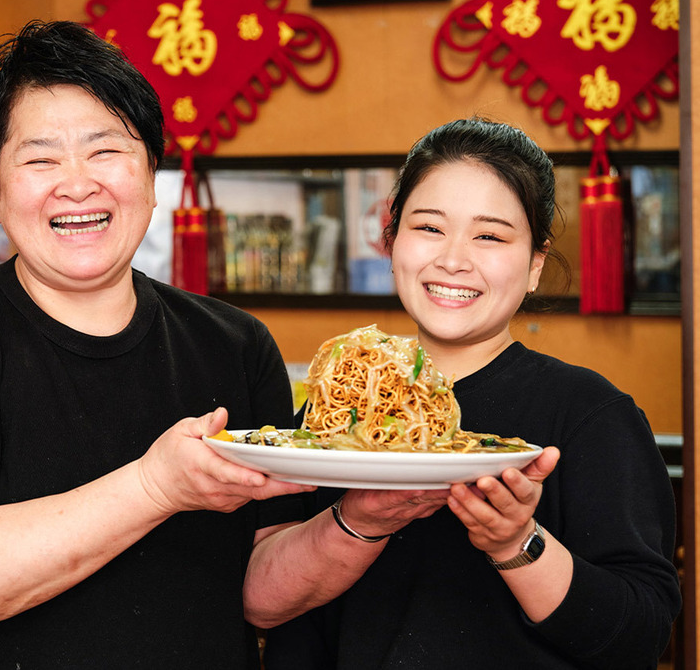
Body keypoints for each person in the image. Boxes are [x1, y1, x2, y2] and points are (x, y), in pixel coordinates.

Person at [0, 20, 315, 669]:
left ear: (152, 173)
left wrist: (368, 519)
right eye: (40, 159)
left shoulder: (234, 343)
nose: (77, 182)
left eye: (105, 150)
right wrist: (157, 485)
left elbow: (264, 588)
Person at [254, 118, 681, 669]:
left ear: (533, 265)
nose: (453, 259)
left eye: (490, 235)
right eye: (429, 227)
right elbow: (261, 604)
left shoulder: (591, 415)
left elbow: (640, 636)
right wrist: (357, 521)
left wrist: (516, 543)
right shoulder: (337, 405)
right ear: (391, 241)